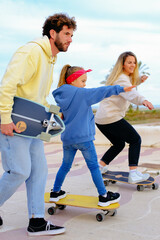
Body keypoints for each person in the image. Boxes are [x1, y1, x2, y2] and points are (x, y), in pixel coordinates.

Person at [0, 13, 77, 236]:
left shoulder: (50, 58)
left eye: (72, 35)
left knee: (39, 172)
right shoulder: (31, 51)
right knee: (19, 171)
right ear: (52, 34)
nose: (70, 39)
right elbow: (7, 86)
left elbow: (37, 96)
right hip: (14, 124)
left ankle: (37, 221)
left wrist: (49, 119)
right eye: (66, 34)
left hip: (33, 125)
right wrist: (4, 119)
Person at [49, 64, 135, 207]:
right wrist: (120, 88)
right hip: (84, 138)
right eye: (83, 81)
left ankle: (55, 192)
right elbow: (101, 91)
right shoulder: (81, 94)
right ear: (73, 80)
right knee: (94, 167)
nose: (84, 84)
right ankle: (103, 196)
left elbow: (55, 113)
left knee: (65, 166)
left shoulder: (59, 95)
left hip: (68, 139)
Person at [95, 51, 154, 184]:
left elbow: (128, 87)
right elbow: (131, 94)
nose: (133, 65)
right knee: (135, 140)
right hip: (111, 117)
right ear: (122, 64)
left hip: (102, 119)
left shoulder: (122, 78)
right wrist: (143, 100)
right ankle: (133, 173)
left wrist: (139, 81)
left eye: (134, 62)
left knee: (119, 144)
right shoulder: (121, 78)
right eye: (129, 62)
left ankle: (100, 167)